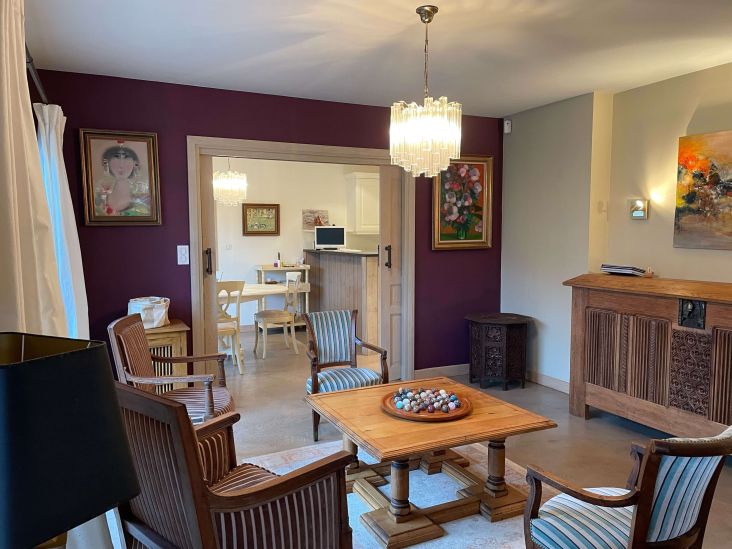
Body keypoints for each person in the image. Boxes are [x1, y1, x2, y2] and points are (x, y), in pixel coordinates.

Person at [95, 143, 151, 216]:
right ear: (107, 163)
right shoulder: (98, 201)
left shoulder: (145, 202)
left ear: (135, 163)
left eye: (126, 157)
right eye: (116, 157)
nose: (121, 165)